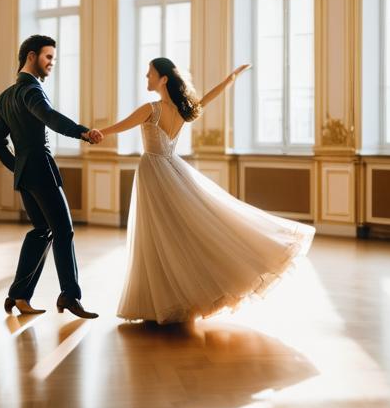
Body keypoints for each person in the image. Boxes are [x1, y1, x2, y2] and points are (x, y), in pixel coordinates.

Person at [99, 57, 314, 324]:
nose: (146, 78)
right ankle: (170, 297)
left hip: (154, 172)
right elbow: (206, 100)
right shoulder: (181, 109)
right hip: (171, 169)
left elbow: (122, 126)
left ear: (163, 79)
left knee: (158, 233)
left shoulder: (151, 109)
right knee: (176, 232)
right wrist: (229, 80)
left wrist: (96, 133)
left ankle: (163, 301)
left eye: (150, 74)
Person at [0, 34, 103, 319]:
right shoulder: (32, 91)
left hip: (26, 173)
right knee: (63, 230)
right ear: (31, 56)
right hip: (40, 168)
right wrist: (83, 132)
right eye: (48, 57)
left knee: (42, 230)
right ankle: (70, 295)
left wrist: (17, 166)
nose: (52, 63)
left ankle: (18, 295)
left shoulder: (4, 97)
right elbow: (49, 117)